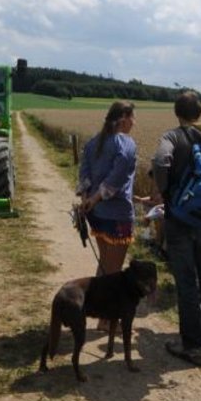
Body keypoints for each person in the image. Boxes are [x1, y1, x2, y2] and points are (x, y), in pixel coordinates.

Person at [154, 90, 201, 366]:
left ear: (177, 112)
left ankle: (194, 346)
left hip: (179, 221)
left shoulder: (172, 137)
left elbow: (160, 162)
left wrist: (167, 194)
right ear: (199, 112)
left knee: (187, 283)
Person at [77, 101, 138, 280]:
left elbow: (84, 174)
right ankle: (105, 306)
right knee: (113, 272)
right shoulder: (126, 143)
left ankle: (96, 304)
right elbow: (117, 177)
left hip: (95, 214)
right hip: (117, 214)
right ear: (124, 119)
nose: (134, 123)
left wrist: (87, 199)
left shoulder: (93, 142)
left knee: (105, 265)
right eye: (133, 118)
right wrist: (95, 199)